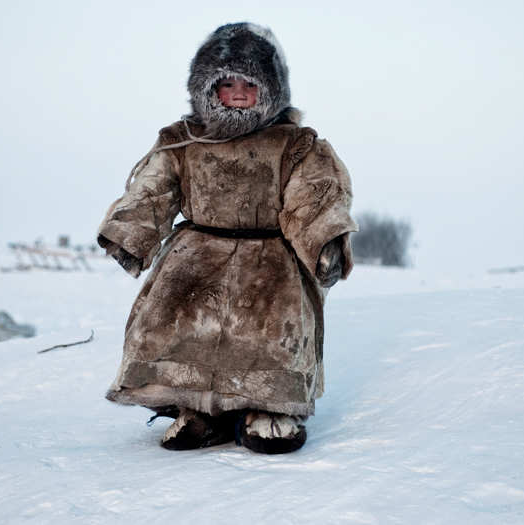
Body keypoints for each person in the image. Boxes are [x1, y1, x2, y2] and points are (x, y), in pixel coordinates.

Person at [97, 22, 357, 454]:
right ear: (205, 89)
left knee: (269, 337)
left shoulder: (294, 145)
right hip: (195, 255)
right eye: (226, 84)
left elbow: (315, 194)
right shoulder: (184, 140)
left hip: (271, 260)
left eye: (249, 84)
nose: (237, 93)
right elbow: (154, 187)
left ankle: (270, 410)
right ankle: (198, 409)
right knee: (176, 326)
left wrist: (324, 239)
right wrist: (132, 231)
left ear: (271, 89)